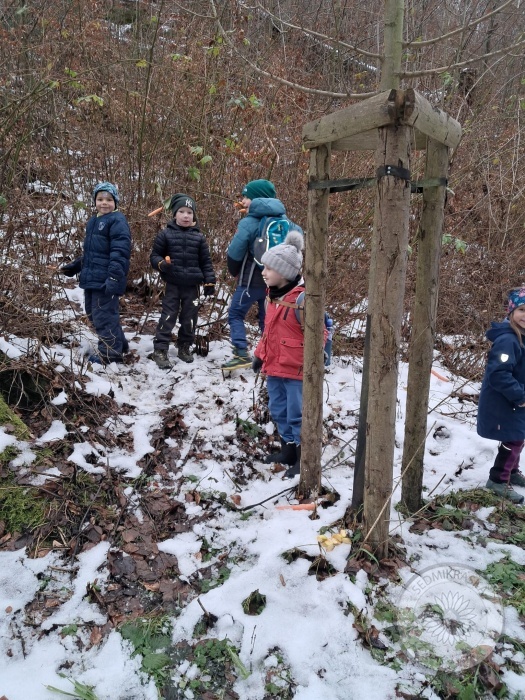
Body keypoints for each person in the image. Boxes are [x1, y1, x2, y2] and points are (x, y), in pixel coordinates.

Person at [223, 179, 302, 370]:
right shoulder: (289, 223)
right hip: (278, 286)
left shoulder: (249, 223)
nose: (243, 201)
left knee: (235, 314)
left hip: (250, 282)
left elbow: (235, 252)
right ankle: (269, 356)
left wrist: (234, 271)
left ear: (258, 199)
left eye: (246, 197)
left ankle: (241, 353)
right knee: (268, 320)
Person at [252, 231, 306, 479]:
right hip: (274, 368)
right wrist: (259, 355)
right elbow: (268, 333)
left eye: (269, 268)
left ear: (284, 272)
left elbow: (322, 330)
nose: (264, 272)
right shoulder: (272, 298)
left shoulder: (303, 300)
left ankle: (303, 458)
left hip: (296, 371)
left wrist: (319, 356)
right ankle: (288, 451)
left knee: (297, 414)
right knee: (279, 410)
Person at [60, 182, 131, 365]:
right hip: (92, 278)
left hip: (106, 280)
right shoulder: (94, 221)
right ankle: (120, 344)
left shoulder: (117, 221)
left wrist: (114, 277)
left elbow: (120, 253)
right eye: (100, 199)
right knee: (93, 313)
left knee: (103, 316)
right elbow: (92, 253)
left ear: (115, 202)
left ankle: (109, 354)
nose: (104, 203)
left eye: (109, 199)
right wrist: (76, 266)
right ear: (95, 201)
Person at [149, 193, 215, 369]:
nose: (186, 216)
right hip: (172, 284)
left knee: (189, 317)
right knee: (168, 315)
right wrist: (161, 264)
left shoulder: (199, 238)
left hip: (192, 286)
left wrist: (210, 281)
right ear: (175, 214)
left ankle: (184, 346)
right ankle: (160, 349)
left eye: (189, 212)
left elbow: (206, 262)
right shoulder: (165, 234)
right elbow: (154, 256)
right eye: (182, 212)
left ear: (194, 216)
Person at [477, 286, 525, 504]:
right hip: (506, 401)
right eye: (522, 310)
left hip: (515, 400)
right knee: (513, 439)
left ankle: (512, 471)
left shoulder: (521, 337)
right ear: (511, 312)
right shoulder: (508, 341)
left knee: (518, 435)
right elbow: (499, 374)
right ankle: (498, 479)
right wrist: (520, 396)